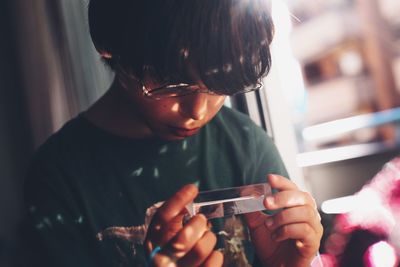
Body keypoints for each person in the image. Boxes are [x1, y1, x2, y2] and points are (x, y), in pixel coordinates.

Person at [21, 0, 323, 266]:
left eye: (218, 83)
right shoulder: (59, 176)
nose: (198, 111)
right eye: (174, 84)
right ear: (109, 42)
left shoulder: (245, 145)